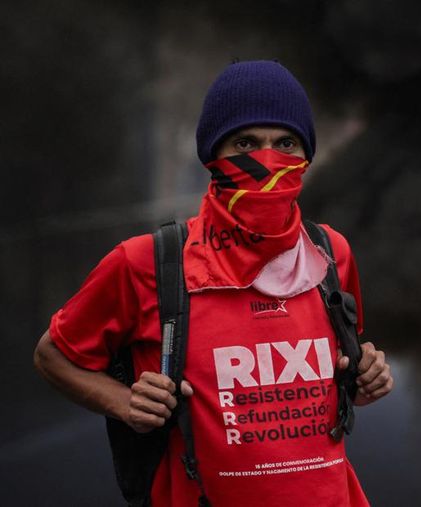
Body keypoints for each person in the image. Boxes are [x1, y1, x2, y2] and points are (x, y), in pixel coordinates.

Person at [33, 60, 393, 506]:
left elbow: (340, 382)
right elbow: (53, 354)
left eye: (285, 143)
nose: (267, 159)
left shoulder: (330, 252)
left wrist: (366, 379)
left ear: (306, 154)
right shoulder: (147, 262)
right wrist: (125, 403)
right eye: (245, 143)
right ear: (212, 156)